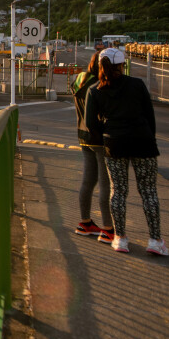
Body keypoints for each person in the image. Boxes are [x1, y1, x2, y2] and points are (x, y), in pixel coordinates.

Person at [85, 48, 168, 256]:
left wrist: (108, 132)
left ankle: (120, 238)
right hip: (143, 142)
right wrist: (149, 137)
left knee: (118, 191)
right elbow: (150, 116)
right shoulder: (137, 84)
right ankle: (156, 240)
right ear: (122, 65)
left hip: (115, 144)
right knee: (148, 191)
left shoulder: (95, 90)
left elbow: (90, 124)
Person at [70, 51, 113, 241]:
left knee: (88, 180)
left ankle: (85, 222)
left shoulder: (78, 80)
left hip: (83, 135)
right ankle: (108, 228)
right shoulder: (98, 85)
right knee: (105, 183)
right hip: (98, 138)